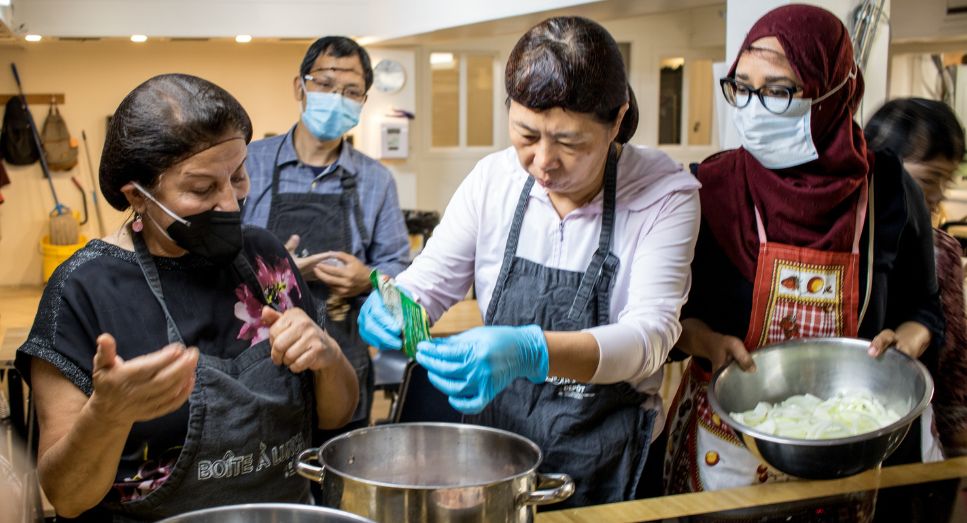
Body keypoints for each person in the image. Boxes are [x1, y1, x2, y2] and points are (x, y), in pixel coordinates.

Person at [359, 16, 701, 508]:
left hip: (607, 453)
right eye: (526, 135)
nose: (543, 161)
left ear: (618, 119)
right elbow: (430, 282)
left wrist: (530, 350)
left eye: (570, 142)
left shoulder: (664, 195)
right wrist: (400, 305)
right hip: (495, 453)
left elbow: (650, 338)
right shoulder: (492, 180)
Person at [15, 74, 358, 521]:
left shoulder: (265, 260)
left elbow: (338, 414)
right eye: (201, 189)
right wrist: (108, 416)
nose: (230, 204)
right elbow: (66, 496)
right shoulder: (83, 291)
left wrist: (328, 357)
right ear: (137, 195)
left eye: (236, 176)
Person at [663, 4, 944, 516]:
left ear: (837, 91)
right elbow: (663, 319)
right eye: (741, 87)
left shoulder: (889, 192)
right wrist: (704, 340)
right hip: (726, 446)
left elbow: (924, 308)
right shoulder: (711, 188)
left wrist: (908, 341)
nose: (751, 107)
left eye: (778, 90)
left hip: (844, 445)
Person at [242, 36, 409, 436]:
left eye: (351, 91)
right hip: (254, 366)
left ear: (362, 102)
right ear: (300, 87)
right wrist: (274, 273)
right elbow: (211, 258)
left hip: (343, 367)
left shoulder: (376, 181)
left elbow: (403, 290)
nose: (337, 97)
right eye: (325, 84)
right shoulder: (249, 163)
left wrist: (367, 281)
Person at [865, 97, 966, 522]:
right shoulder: (844, 243)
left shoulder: (942, 251)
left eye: (946, 180)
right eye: (929, 179)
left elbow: (954, 361)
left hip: (909, 438)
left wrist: (957, 450)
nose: (939, 195)